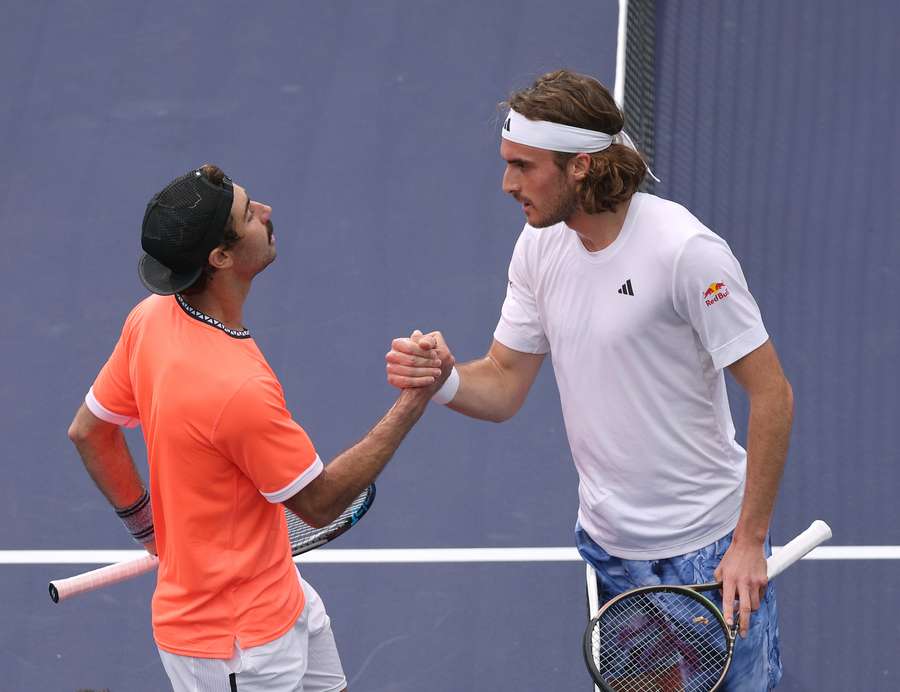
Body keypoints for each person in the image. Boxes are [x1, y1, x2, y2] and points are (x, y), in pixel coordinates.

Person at [385, 70, 793, 689]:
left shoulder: (686, 252)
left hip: (707, 550)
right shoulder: (539, 247)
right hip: (608, 546)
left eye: (524, 165)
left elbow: (772, 394)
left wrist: (748, 542)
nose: (507, 183)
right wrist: (442, 379)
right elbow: (502, 381)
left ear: (580, 166)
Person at [67, 165, 443, 692]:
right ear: (220, 258)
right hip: (236, 649)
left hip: (280, 595)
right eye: (249, 215)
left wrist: (151, 533)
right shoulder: (236, 388)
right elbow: (318, 503)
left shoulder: (150, 318)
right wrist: (414, 399)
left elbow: (90, 432)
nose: (265, 212)